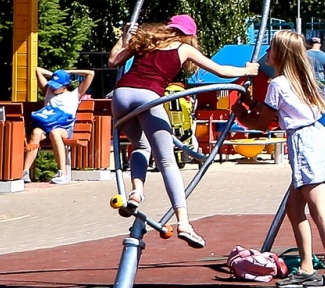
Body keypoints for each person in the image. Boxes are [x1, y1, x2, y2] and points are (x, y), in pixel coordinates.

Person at [107, 15, 256, 248]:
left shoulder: (146, 42)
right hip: (148, 95)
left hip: (122, 95)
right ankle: (184, 223)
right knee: (167, 162)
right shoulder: (184, 48)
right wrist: (247, 69)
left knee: (141, 146)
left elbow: (113, 60)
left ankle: (136, 192)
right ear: (188, 34)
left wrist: (125, 37)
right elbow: (220, 71)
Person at [260, 28, 325, 288]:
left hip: (304, 144)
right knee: (294, 207)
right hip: (313, 138)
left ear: (281, 54)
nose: (267, 52)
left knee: (318, 209)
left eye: (271, 48)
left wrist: (242, 112)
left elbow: (264, 122)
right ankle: (307, 266)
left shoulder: (277, 84)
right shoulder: (300, 79)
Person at [24, 66, 94, 184]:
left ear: (65, 85)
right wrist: (57, 75)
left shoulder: (74, 94)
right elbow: (38, 70)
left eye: (57, 85)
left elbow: (90, 73)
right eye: (52, 84)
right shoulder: (48, 92)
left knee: (55, 132)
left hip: (64, 128)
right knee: (36, 132)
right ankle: (25, 172)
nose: (53, 87)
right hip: (46, 127)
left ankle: (62, 173)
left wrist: (69, 72)